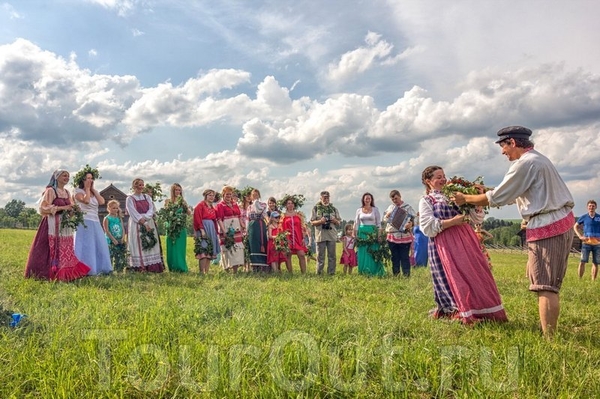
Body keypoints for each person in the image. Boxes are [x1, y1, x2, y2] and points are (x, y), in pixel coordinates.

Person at [454, 126, 573, 336]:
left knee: (545, 286)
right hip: (555, 223)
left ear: (513, 142)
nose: (502, 152)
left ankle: (550, 339)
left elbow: (498, 198)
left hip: (547, 226)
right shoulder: (538, 159)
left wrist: (466, 199)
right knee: (543, 281)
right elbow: (509, 192)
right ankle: (548, 332)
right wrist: (489, 190)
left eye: (503, 146)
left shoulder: (525, 163)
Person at [419, 165, 507, 324]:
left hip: (466, 239)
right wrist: (452, 222)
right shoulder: (427, 200)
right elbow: (427, 227)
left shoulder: (456, 195)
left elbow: (476, 219)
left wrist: (477, 201)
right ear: (428, 181)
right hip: (444, 242)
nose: (443, 179)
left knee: (474, 273)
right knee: (452, 276)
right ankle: (458, 310)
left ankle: (481, 309)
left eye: (443, 176)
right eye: (438, 177)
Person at [25, 169, 91, 281]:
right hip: (51, 224)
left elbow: (71, 206)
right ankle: (44, 272)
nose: (66, 178)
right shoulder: (51, 191)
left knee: (65, 248)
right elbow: (43, 208)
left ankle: (65, 273)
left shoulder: (67, 192)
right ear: (57, 177)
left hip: (64, 226)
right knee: (47, 248)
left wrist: (74, 209)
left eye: (68, 176)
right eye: (64, 175)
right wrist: (62, 208)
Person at [73, 168, 113, 275]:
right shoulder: (78, 191)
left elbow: (102, 201)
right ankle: (85, 269)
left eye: (91, 178)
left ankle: (101, 267)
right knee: (86, 245)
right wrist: (86, 189)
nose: (90, 180)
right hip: (84, 221)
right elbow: (86, 201)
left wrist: (93, 190)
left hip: (95, 221)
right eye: (87, 178)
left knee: (99, 243)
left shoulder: (94, 192)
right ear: (82, 180)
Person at [126, 178, 165, 273]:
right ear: (134, 186)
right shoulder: (130, 198)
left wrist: (146, 217)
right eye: (139, 185)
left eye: (142, 185)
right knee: (138, 242)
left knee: (150, 241)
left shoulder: (147, 197)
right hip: (137, 223)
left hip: (148, 221)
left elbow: (151, 209)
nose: (141, 187)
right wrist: (142, 220)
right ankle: (140, 266)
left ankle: (152, 267)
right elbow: (132, 212)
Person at [383, 190, 416, 277]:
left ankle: (406, 275)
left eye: (396, 198)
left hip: (404, 235)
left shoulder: (407, 207)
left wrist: (411, 224)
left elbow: (415, 218)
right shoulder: (390, 207)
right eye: (393, 199)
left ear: (400, 196)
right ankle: (396, 274)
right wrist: (387, 215)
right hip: (392, 235)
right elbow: (385, 219)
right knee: (395, 257)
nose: (395, 201)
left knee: (404, 256)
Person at [310, 191, 341, 275]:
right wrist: (320, 221)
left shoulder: (333, 209)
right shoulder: (316, 208)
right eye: (324, 197)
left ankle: (331, 273)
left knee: (332, 256)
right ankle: (319, 273)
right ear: (321, 198)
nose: (326, 199)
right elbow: (312, 222)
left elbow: (339, 222)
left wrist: (335, 220)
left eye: (327, 197)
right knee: (320, 256)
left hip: (331, 235)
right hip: (321, 235)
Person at [354, 192, 385, 276]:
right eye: (366, 198)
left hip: (372, 232)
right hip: (362, 233)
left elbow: (378, 223)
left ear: (371, 200)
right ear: (363, 200)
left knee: (373, 251)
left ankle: (374, 270)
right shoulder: (359, 210)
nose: (367, 200)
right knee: (363, 251)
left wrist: (379, 235)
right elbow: (356, 223)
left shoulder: (375, 210)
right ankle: (363, 271)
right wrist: (355, 235)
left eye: (369, 198)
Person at [216, 186, 245, 273]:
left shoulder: (235, 204)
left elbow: (239, 216)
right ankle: (227, 268)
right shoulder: (220, 205)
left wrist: (242, 225)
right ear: (223, 194)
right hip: (227, 227)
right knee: (228, 247)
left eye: (230, 194)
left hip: (236, 228)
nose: (229, 196)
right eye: (227, 194)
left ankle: (235, 270)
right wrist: (223, 231)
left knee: (237, 247)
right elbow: (219, 219)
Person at [163, 183, 191, 273]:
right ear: (172, 191)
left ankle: (181, 267)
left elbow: (189, 213)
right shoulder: (168, 201)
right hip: (171, 227)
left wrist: (185, 209)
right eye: (176, 190)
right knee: (171, 246)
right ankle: (172, 267)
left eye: (179, 190)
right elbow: (165, 214)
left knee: (180, 248)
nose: (178, 192)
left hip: (180, 227)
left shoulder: (183, 201)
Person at [193, 189, 220, 274]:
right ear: (205, 196)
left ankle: (207, 272)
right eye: (210, 195)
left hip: (211, 228)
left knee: (209, 251)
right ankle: (201, 271)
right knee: (203, 249)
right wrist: (202, 230)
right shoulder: (200, 205)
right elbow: (197, 218)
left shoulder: (212, 207)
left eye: (213, 195)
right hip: (203, 227)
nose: (212, 197)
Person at [574, 200, 600, 280]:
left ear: (596, 207)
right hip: (586, 243)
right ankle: (580, 280)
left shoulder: (599, 217)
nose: (591, 207)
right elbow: (575, 226)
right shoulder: (584, 217)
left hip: (597, 244)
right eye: (590, 206)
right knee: (582, 261)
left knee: (596, 263)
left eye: (593, 206)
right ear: (587, 207)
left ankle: (593, 281)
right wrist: (580, 236)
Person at [281, 196, 308, 273]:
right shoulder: (283, 216)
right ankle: (290, 273)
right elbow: (281, 227)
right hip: (288, 238)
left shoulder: (299, 215)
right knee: (288, 255)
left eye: (292, 203)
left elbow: (303, 226)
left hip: (298, 238)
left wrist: (303, 237)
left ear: (294, 205)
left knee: (301, 254)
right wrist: (284, 239)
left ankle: (304, 273)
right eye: (288, 203)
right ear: (286, 205)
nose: (290, 205)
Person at [246, 189, 269, 272]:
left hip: (260, 225)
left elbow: (262, 213)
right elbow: (247, 218)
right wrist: (246, 229)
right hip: (252, 226)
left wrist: (267, 221)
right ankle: (254, 266)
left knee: (261, 243)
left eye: (257, 195)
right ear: (251, 196)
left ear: (259, 196)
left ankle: (262, 266)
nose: (255, 196)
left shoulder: (262, 205)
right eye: (253, 195)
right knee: (253, 244)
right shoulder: (249, 207)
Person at [103, 200, 127, 272]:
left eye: (117, 208)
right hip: (111, 240)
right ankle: (109, 270)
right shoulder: (107, 218)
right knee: (111, 255)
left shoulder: (119, 218)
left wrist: (123, 237)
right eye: (113, 208)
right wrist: (113, 240)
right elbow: (107, 231)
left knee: (119, 255)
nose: (115, 210)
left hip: (119, 239)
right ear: (109, 208)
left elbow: (122, 228)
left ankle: (119, 269)